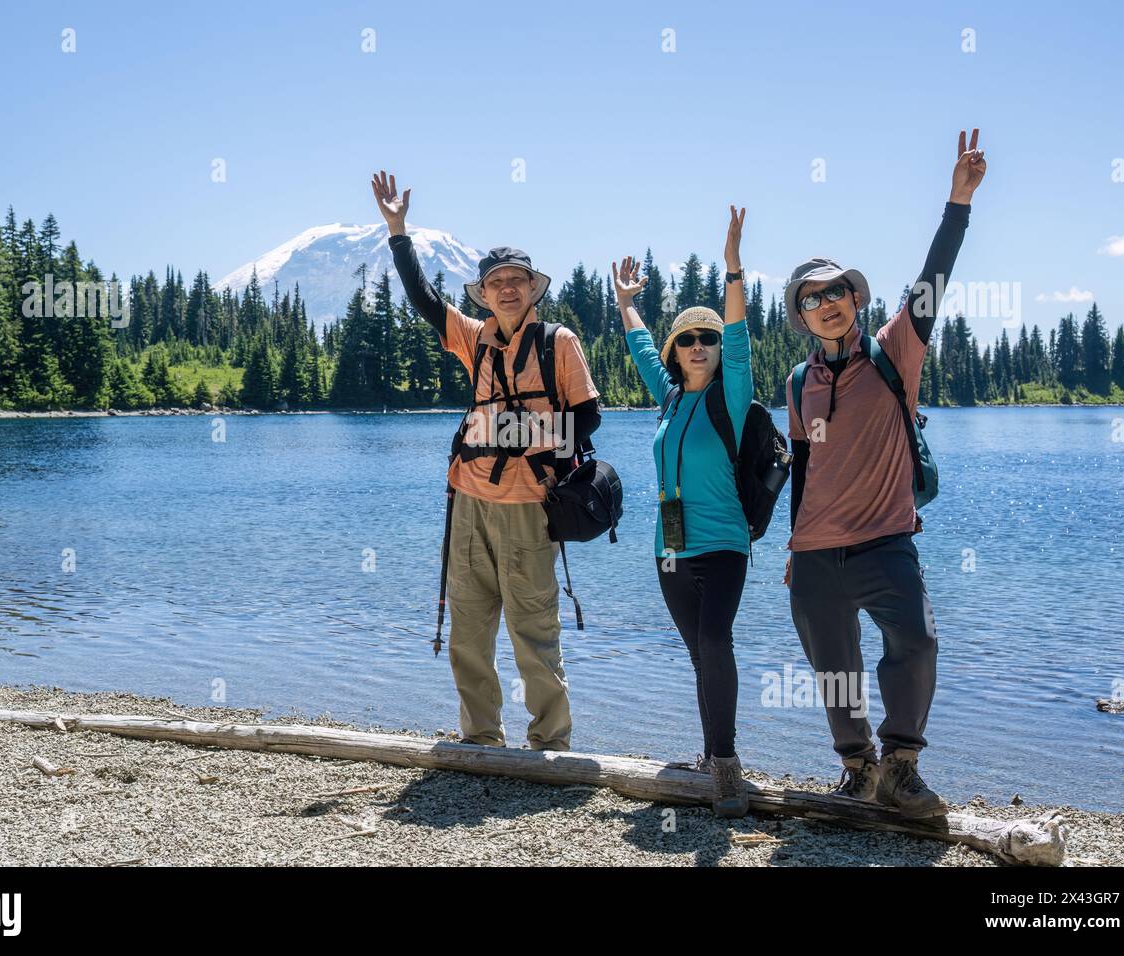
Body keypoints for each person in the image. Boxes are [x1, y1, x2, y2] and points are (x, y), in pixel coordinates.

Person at [782, 130, 988, 817]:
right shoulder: (796, 383)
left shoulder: (895, 349)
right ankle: (856, 766)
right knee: (834, 672)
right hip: (814, 554)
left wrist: (955, 204)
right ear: (802, 317)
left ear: (856, 298)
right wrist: (791, 548)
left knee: (918, 642)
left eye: (838, 290)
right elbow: (804, 468)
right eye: (814, 298)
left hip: (886, 540)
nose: (829, 302)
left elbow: (933, 281)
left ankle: (902, 763)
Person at [371, 170, 602, 751]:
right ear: (484, 292)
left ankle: (551, 744)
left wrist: (509, 428)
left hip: (529, 505)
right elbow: (424, 299)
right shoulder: (473, 338)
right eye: (495, 281)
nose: (506, 289)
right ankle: (481, 740)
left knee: (533, 631)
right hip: (468, 502)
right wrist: (398, 231)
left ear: (532, 289)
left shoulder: (559, 342)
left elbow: (587, 421)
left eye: (517, 281)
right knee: (468, 632)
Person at [612, 205, 754, 816]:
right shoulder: (668, 399)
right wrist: (625, 304)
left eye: (709, 339)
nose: (700, 346)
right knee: (700, 654)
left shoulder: (735, 395)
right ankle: (711, 750)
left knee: (716, 642)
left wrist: (732, 268)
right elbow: (642, 350)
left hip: (723, 544)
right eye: (689, 340)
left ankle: (725, 768)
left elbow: (742, 340)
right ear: (678, 351)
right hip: (668, 549)